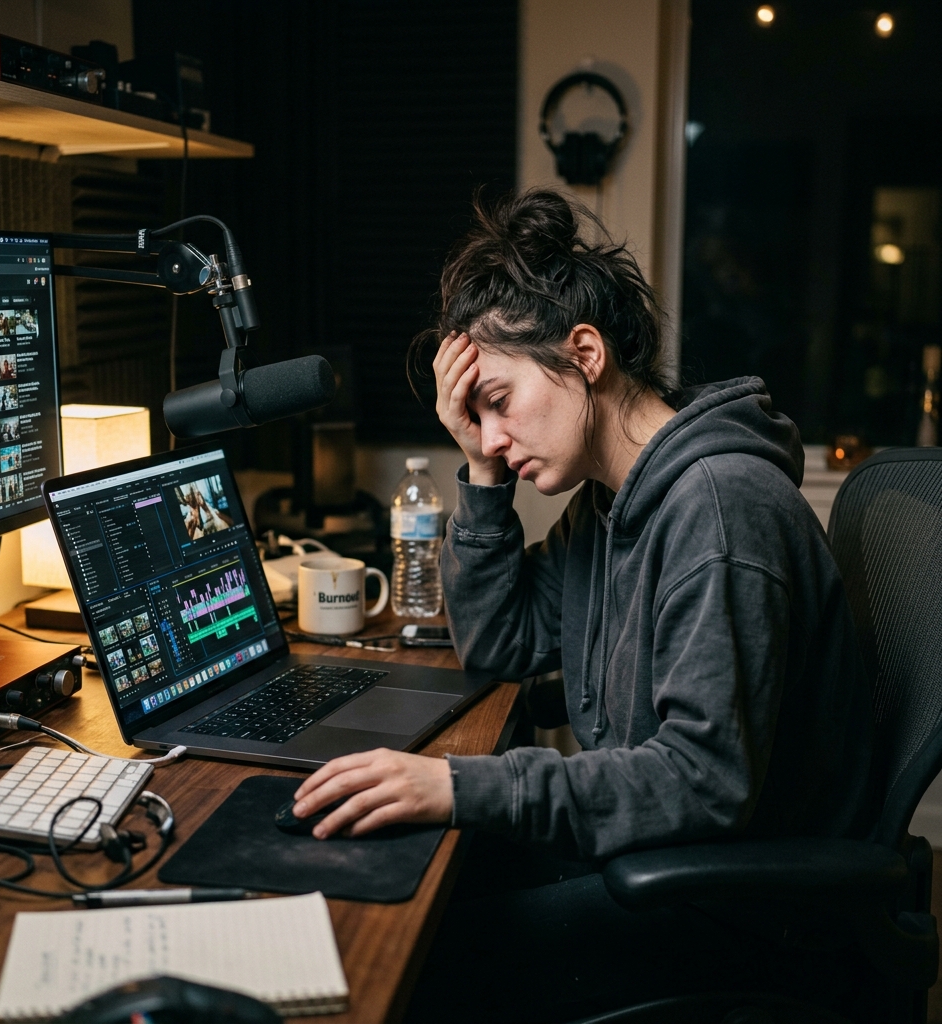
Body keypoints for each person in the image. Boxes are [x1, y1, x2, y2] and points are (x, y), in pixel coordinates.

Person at [287, 191, 875, 1021]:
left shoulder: (717, 507)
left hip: (740, 906)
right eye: (473, 416)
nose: (488, 435)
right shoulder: (609, 505)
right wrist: (482, 476)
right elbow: (501, 649)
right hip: (648, 851)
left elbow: (705, 781)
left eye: (497, 401)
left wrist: (461, 786)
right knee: (388, 880)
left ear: (585, 354)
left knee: (410, 962)